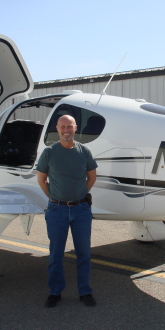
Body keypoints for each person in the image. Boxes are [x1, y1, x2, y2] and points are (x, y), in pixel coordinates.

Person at [36, 115, 97, 308]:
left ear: (75, 128)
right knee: (55, 254)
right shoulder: (49, 152)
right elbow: (41, 181)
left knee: (84, 254)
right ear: (57, 128)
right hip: (56, 210)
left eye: (69, 126)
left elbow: (91, 178)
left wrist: (79, 196)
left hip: (81, 210)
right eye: (62, 127)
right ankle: (55, 292)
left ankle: (85, 291)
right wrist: (55, 198)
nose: (66, 130)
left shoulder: (84, 151)